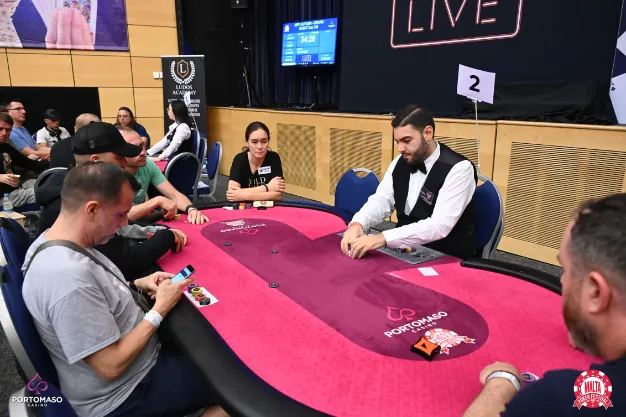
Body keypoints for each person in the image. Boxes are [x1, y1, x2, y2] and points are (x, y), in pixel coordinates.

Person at [22, 162, 227, 417]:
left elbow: (96, 296)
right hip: (126, 392)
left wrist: (136, 284)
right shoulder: (67, 278)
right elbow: (110, 366)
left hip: (138, 367)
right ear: (92, 210)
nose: (124, 223)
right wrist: (160, 308)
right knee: (236, 380)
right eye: (120, 214)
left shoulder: (55, 241)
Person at [463, 193, 626, 417]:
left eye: (566, 271)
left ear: (596, 292)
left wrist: (502, 382)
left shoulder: (559, 398)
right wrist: (592, 327)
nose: (563, 281)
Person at [36, 122, 189, 279]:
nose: (124, 163)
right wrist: (166, 237)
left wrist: (160, 230)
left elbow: (122, 229)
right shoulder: (79, 201)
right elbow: (124, 263)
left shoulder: (77, 185)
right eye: (119, 157)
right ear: (95, 161)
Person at [339, 105, 476, 259]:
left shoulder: (459, 169)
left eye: (406, 140)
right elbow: (382, 200)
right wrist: (358, 223)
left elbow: (439, 226)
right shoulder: (400, 162)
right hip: (404, 251)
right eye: (397, 141)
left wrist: (383, 238)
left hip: (446, 256)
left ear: (428, 133)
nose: (400, 148)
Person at [117, 126, 209, 225]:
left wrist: (191, 209)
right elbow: (119, 217)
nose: (143, 152)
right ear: (119, 153)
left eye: (141, 145)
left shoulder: (148, 164)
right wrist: (157, 201)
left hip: (140, 222)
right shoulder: (111, 174)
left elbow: (174, 194)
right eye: (133, 148)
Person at [227, 121, 285, 202]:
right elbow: (231, 195)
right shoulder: (240, 159)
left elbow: (278, 195)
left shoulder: (273, 158)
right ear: (246, 142)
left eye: (264, 142)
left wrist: (243, 196)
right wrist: (267, 187)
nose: (260, 147)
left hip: (267, 207)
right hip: (244, 208)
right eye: (254, 142)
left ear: (269, 141)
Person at [0, 113, 47, 207]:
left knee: (49, 184)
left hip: (16, 189)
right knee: (48, 193)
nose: (4, 133)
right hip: (4, 197)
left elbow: (28, 163)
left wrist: (53, 163)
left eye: (8, 130)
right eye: (0, 129)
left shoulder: (6, 147)